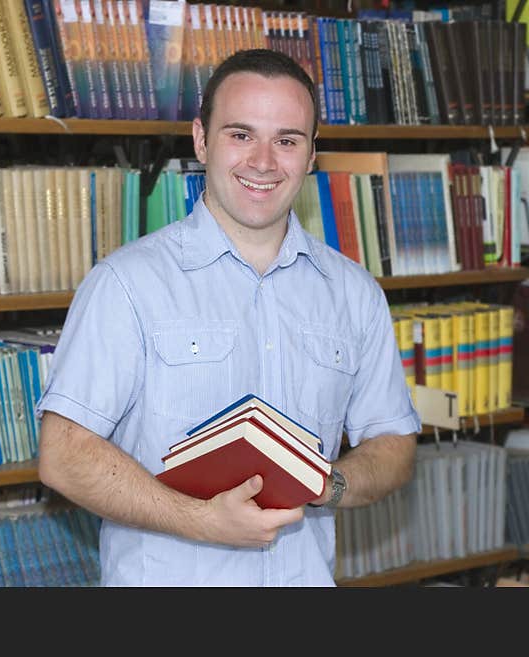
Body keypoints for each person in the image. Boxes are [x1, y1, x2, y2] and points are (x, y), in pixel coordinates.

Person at [35, 49, 421, 586]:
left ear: (311, 155)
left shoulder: (354, 293)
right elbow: (64, 456)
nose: (263, 161)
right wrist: (202, 521)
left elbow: (394, 444)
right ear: (201, 139)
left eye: (287, 140)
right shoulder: (126, 284)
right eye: (241, 135)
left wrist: (326, 483)